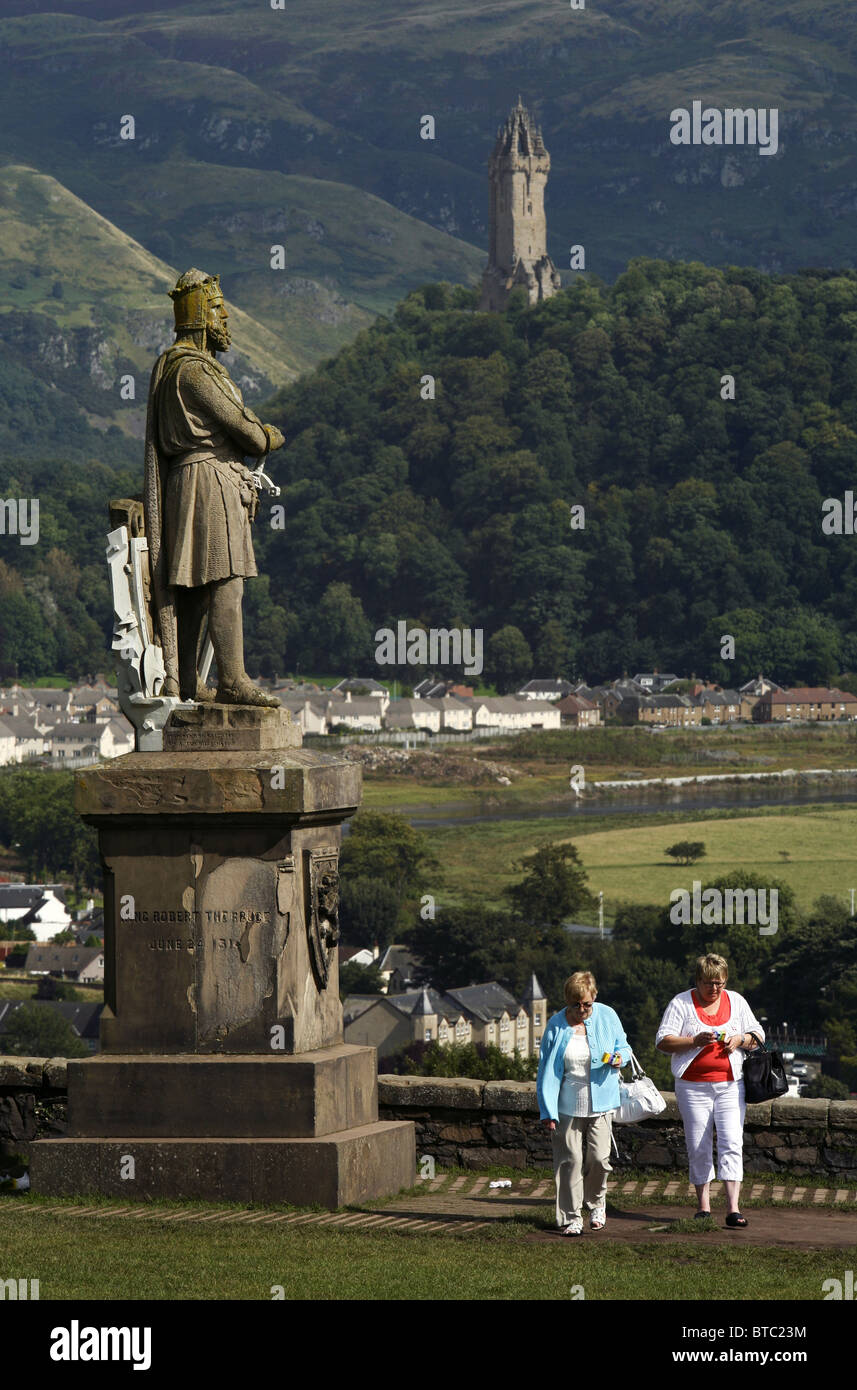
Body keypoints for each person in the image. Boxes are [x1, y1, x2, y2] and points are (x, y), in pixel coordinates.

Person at [144, 267, 285, 706]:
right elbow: (251, 434)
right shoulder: (195, 373)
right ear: (202, 315)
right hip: (209, 481)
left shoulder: (176, 370)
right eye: (220, 312)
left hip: (192, 482)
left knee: (196, 587)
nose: (225, 322)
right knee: (226, 580)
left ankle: (188, 680)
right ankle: (233, 679)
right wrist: (267, 434)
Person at [656, 953, 764, 1227]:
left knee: (731, 1141)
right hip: (693, 1086)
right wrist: (694, 1041)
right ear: (697, 980)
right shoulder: (681, 1003)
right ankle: (703, 1206)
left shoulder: (736, 1001)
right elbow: (663, 1041)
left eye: (718, 983)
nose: (713, 988)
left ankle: (733, 1208)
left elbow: (758, 1035)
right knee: (698, 1143)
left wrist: (739, 1039)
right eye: (707, 983)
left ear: (725, 981)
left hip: (730, 1084)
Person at [536, 971, 631, 1236]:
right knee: (570, 1160)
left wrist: (617, 1058)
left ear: (594, 998)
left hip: (601, 1103)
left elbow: (625, 1048)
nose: (582, 1010)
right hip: (566, 1105)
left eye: (587, 1004)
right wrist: (548, 1110)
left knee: (600, 1159)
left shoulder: (608, 1015)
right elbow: (546, 1070)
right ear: (568, 1001)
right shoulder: (556, 1024)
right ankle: (571, 1217)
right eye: (575, 1004)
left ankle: (597, 1204)